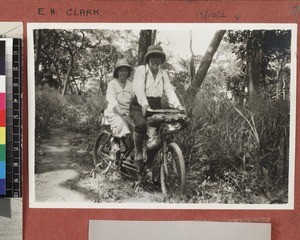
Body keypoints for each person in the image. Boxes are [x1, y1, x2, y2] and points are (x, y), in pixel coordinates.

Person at [130, 44, 184, 174]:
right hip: (139, 104)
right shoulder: (141, 70)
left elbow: (169, 91)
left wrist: (178, 105)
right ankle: (137, 152)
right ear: (148, 59)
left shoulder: (163, 74)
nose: (155, 60)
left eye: (158, 58)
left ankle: (148, 162)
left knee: (159, 135)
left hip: (155, 106)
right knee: (142, 124)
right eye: (153, 57)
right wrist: (144, 104)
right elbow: (138, 88)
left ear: (161, 60)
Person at [104, 59, 134, 152]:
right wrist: (119, 109)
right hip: (114, 112)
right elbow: (111, 99)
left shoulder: (131, 84)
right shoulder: (112, 84)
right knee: (121, 123)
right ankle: (114, 141)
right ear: (117, 72)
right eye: (121, 70)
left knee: (136, 132)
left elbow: (135, 98)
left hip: (127, 113)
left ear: (128, 72)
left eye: (125, 70)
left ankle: (129, 156)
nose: (123, 73)